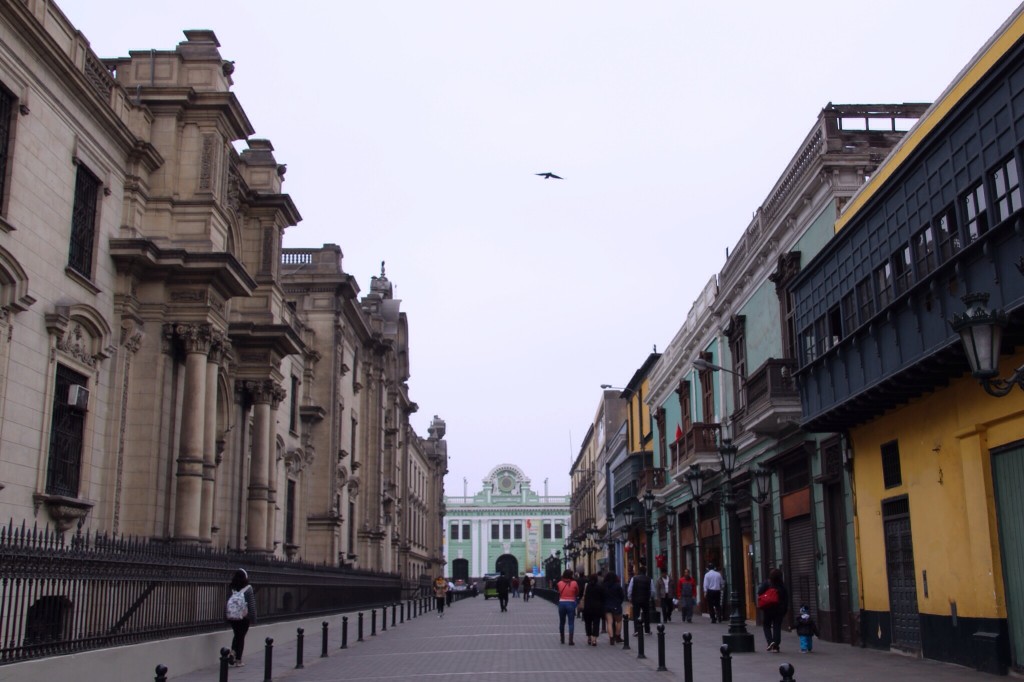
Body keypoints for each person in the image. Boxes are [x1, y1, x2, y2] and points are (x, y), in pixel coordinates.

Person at [225, 568, 257, 667]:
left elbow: (227, 602)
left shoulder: (232, 588)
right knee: (241, 637)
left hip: (232, 617)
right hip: (244, 617)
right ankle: (238, 660)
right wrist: (253, 618)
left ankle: (233, 652)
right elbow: (251, 605)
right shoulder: (248, 588)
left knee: (237, 635)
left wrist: (226, 616)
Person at [756, 567, 789, 652]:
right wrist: (785, 609)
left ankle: (770, 641)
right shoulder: (782, 586)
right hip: (779, 609)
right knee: (777, 626)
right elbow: (786, 598)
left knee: (766, 625)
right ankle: (776, 645)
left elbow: (759, 592)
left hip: (768, 608)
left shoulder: (767, 583)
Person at [581, 573, 606, 646]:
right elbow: (603, 597)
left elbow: (581, 594)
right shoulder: (599, 587)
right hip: (597, 608)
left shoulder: (586, 586)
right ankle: (594, 639)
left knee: (588, 623)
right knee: (596, 623)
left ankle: (589, 637)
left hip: (587, 607)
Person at [626, 566, 652, 635]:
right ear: (645, 572)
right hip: (646, 599)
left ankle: (637, 630)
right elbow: (652, 590)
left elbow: (630, 590)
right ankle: (647, 630)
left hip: (636, 599)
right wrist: (650, 598)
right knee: (646, 615)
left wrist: (630, 598)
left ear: (639, 571)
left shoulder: (634, 579)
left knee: (636, 615)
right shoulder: (649, 579)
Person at [556, 569, 580, 645]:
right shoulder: (574, 583)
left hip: (562, 603)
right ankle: (570, 640)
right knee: (571, 622)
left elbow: (558, 592)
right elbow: (577, 592)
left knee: (562, 622)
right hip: (571, 603)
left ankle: (562, 638)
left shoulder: (559, 583)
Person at [602, 572, 625, 645]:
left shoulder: (604, 586)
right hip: (616, 605)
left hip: (606, 606)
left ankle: (611, 638)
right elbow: (622, 596)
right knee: (619, 621)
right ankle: (617, 636)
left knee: (609, 622)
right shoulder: (617, 586)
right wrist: (619, 602)